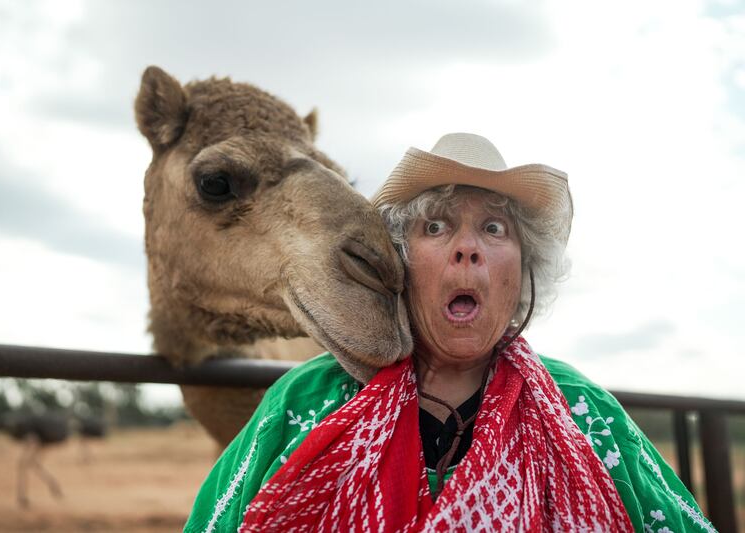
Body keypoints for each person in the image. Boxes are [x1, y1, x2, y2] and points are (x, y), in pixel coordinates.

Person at [184, 133, 714, 532]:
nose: (468, 247)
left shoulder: (581, 411)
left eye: (494, 228)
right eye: (435, 226)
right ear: (399, 261)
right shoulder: (306, 401)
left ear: (523, 270)